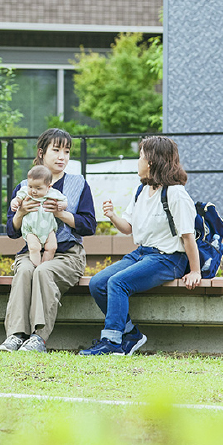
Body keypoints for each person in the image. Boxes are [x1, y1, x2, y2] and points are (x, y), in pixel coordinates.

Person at [80, 136, 201, 356]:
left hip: (168, 258)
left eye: (141, 156)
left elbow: (187, 237)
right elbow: (128, 228)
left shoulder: (175, 193)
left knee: (118, 283)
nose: (138, 161)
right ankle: (131, 334)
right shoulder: (141, 191)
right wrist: (112, 216)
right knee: (98, 283)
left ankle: (112, 343)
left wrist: (195, 271)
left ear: (152, 161)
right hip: (142, 253)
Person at [0, 128, 96, 352]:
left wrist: (62, 214)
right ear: (42, 152)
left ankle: (38, 338)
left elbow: (89, 225)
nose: (62, 156)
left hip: (68, 254)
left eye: (67, 151)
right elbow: (12, 232)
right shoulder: (25, 186)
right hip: (30, 251)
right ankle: (15, 336)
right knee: (24, 271)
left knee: (43, 271)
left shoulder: (78, 184)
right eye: (56, 150)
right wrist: (21, 213)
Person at [16, 164, 67, 267]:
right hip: (31, 228)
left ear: (48, 187)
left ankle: (43, 266)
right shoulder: (26, 192)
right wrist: (15, 203)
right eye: (31, 186)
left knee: (52, 247)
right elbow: (18, 198)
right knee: (34, 248)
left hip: (48, 229)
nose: (33, 191)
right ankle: (37, 266)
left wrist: (62, 205)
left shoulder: (53, 193)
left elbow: (64, 201)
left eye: (38, 188)